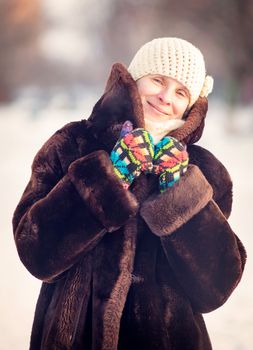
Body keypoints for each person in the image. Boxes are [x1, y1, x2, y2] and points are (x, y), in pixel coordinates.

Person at [13, 37, 246, 350]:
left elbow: (216, 287)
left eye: (181, 92)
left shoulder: (204, 171)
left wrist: (180, 193)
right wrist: (110, 177)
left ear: (191, 105)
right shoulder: (73, 143)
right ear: (135, 80)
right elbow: (36, 253)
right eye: (158, 80)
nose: (165, 97)